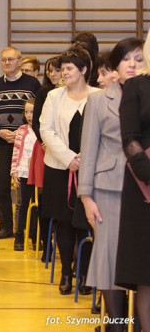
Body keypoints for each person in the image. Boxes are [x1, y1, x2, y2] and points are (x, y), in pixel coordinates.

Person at [78, 37, 143, 331]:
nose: (132, 64)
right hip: (109, 190)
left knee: (143, 260)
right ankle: (115, 325)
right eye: (126, 59)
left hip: (145, 189)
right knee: (108, 260)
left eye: (139, 58)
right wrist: (86, 196)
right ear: (114, 67)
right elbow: (89, 150)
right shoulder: (98, 100)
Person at [40, 46, 100, 295]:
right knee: (64, 223)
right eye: (62, 68)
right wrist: (68, 158)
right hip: (59, 168)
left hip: (92, 169)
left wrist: (86, 160)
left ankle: (85, 274)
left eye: (69, 68)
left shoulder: (99, 95)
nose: (64, 73)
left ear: (84, 70)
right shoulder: (54, 96)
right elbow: (47, 130)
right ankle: (66, 273)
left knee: (85, 224)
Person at [0, 46, 40, 240]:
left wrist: (23, 132)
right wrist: (0, 131)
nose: (7, 63)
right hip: (0, 143)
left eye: (11, 59)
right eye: (4, 60)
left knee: (26, 186)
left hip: (27, 143)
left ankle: (25, 229)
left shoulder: (33, 84)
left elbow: (39, 112)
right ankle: (5, 226)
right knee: (0, 185)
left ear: (19, 61)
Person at [117, 34, 150, 332]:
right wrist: (148, 173)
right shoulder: (138, 85)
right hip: (144, 187)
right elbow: (130, 137)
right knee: (147, 274)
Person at [29, 56, 62, 261]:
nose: (52, 74)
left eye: (56, 70)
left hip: (67, 151)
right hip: (45, 149)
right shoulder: (43, 93)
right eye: (49, 70)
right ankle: (45, 243)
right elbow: (37, 124)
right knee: (45, 198)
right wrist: (47, 142)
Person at [10, 98, 37, 251]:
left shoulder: (42, 131)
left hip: (36, 176)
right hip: (23, 173)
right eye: (26, 112)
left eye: (32, 112)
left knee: (36, 207)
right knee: (22, 205)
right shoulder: (22, 130)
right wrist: (14, 171)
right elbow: (16, 151)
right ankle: (19, 235)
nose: (29, 115)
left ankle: (34, 236)